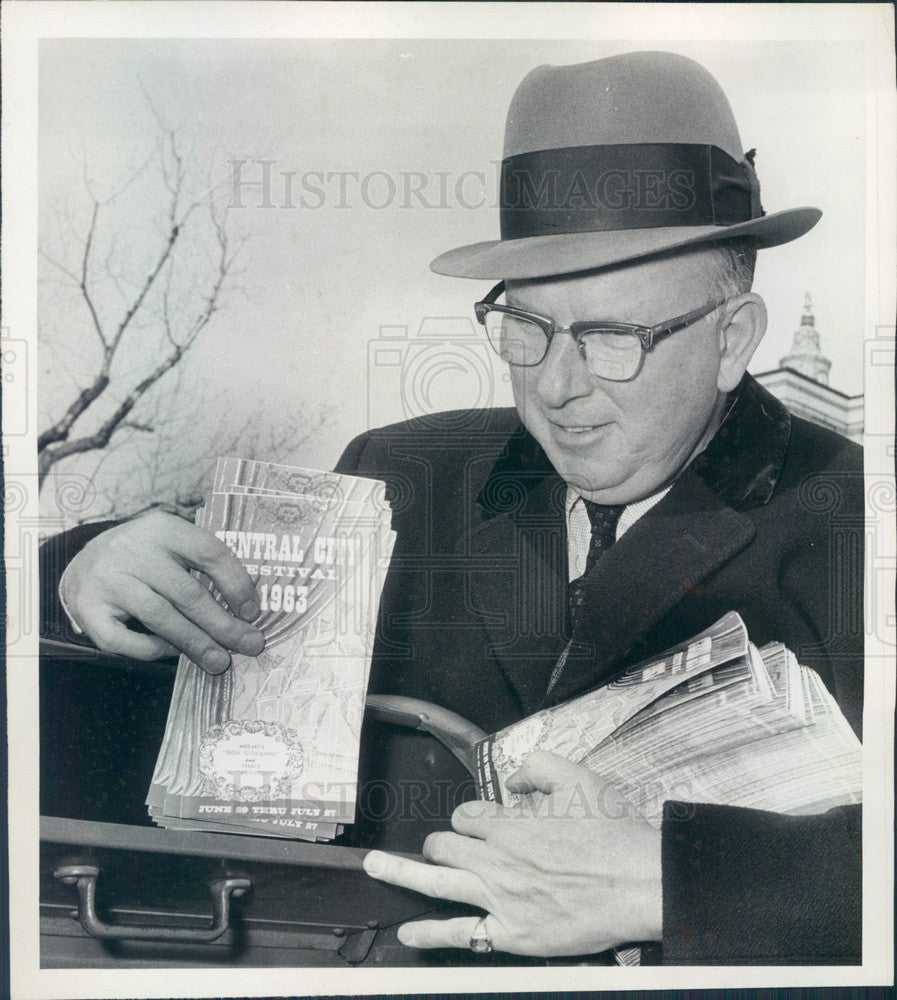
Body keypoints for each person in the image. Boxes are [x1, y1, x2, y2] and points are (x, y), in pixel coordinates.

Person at [41, 51, 862, 964]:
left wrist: (677, 881)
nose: (555, 387)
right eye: (526, 326)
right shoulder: (401, 474)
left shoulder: (858, 525)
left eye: (610, 337)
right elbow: (147, 670)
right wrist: (83, 571)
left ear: (731, 340)